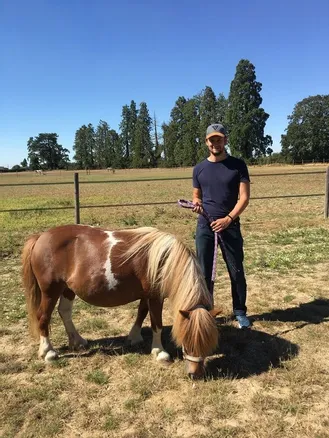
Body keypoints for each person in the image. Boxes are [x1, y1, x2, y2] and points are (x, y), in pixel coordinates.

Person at [192, 123, 251, 328]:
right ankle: (207, 311)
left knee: (236, 271)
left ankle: (240, 311)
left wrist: (228, 219)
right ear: (206, 142)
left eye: (219, 139)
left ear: (225, 140)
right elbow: (197, 195)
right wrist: (197, 204)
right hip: (205, 228)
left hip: (230, 226)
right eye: (211, 139)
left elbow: (244, 198)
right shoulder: (199, 168)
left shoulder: (238, 165)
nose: (215, 143)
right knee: (204, 273)